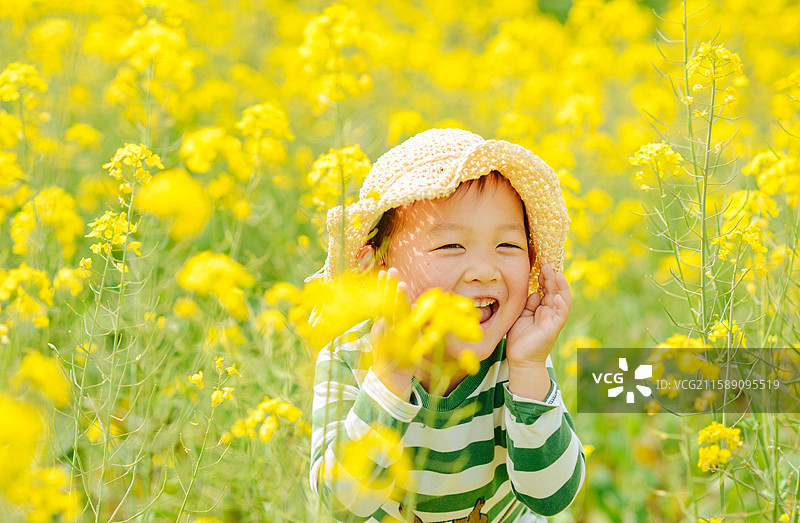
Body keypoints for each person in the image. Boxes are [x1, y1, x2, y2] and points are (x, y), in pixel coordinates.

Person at [309, 128, 585, 522]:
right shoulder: (349, 357)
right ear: (378, 269)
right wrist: (391, 375)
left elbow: (552, 497)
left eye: (508, 245)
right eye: (451, 245)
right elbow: (339, 505)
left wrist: (529, 369)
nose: (484, 271)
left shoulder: (517, 358)